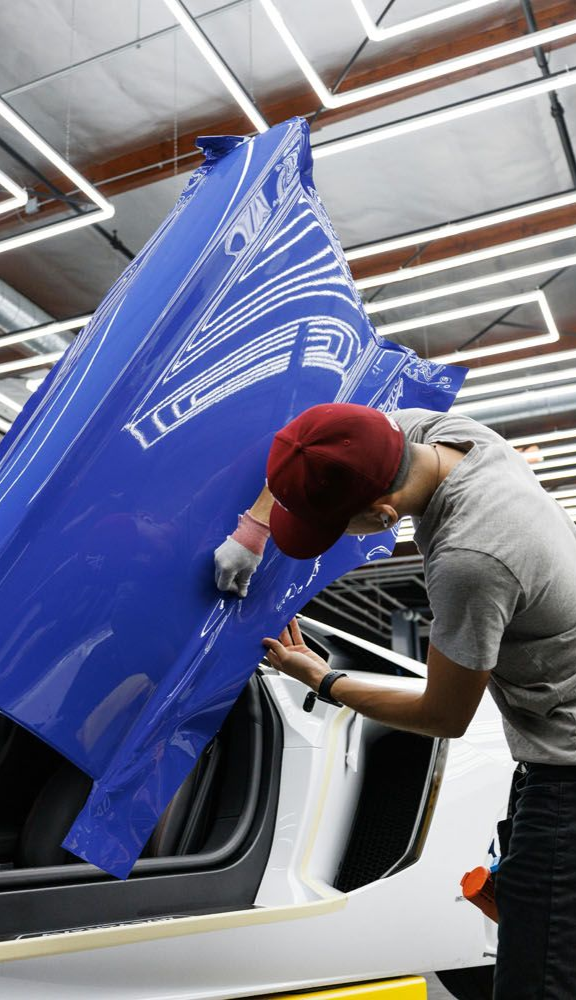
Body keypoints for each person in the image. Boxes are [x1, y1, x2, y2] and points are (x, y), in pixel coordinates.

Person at [214, 402, 576, 1000]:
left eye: (337, 528)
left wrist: (323, 681)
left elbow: (444, 716)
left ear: (382, 515)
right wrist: (252, 530)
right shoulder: (437, 435)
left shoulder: (470, 561)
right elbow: (314, 438)